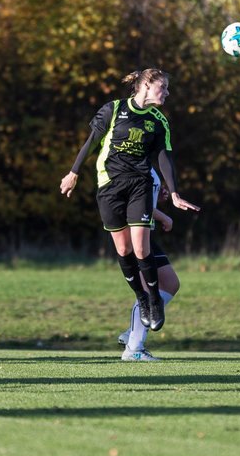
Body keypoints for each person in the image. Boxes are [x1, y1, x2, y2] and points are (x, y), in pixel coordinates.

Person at [60, 68, 199, 336]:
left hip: (140, 185)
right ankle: (143, 298)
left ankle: (155, 300)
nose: (167, 92)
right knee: (123, 250)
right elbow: (92, 142)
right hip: (110, 186)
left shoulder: (159, 121)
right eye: (164, 87)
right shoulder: (113, 110)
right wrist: (73, 172)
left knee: (141, 248)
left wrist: (175, 193)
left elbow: (164, 158)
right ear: (146, 85)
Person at [117, 168, 180, 361]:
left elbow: (145, 201)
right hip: (134, 236)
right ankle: (134, 349)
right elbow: (132, 205)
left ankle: (133, 331)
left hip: (147, 236)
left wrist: (157, 194)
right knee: (146, 290)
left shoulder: (149, 166)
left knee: (170, 283)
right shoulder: (129, 163)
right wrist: (164, 217)